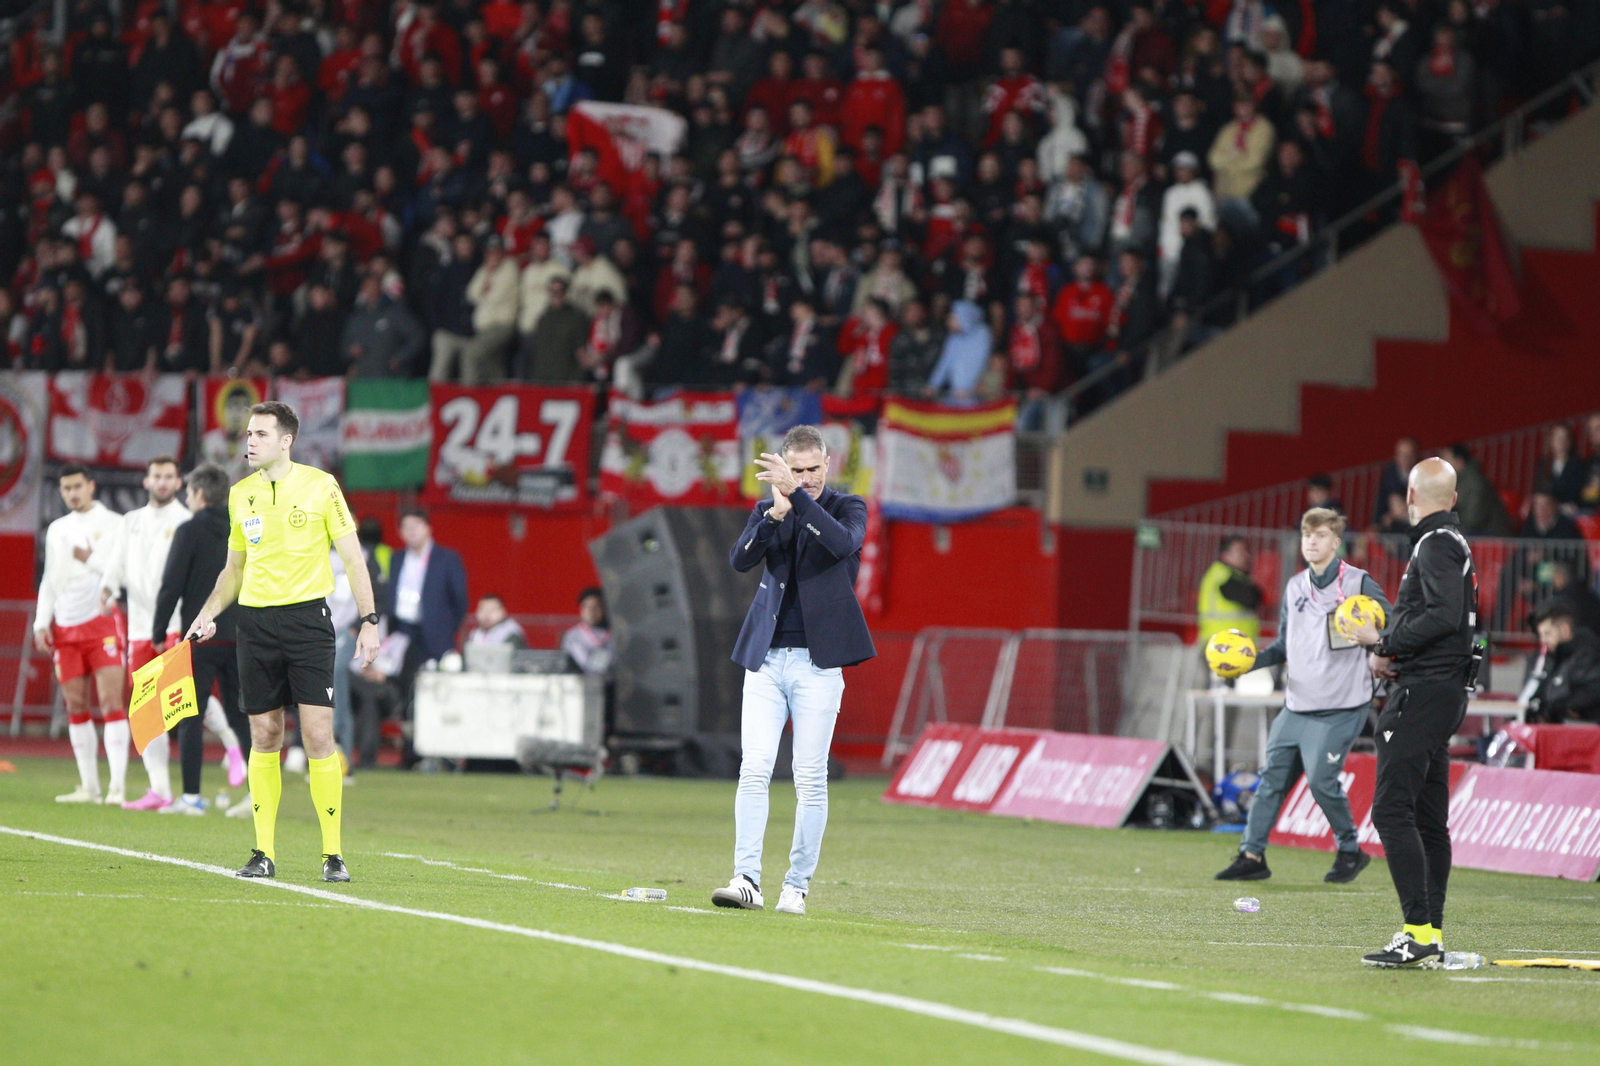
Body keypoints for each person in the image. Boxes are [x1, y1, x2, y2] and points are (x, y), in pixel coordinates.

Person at [185, 401, 381, 883]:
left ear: (286, 440)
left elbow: (355, 560)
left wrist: (370, 620)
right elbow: (234, 571)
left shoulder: (321, 486)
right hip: (254, 625)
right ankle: (263, 852)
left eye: (260, 434)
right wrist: (208, 613)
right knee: (265, 735)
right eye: (248, 434)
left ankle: (332, 855)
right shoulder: (239, 495)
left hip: (308, 624)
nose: (249, 441)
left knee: (317, 736)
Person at [714, 425, 876, 915]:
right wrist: (773, 516)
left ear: (828, 464)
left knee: (809, 777)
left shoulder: (849, 507)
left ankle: (796, 887)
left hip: (818, 664)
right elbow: (740, 560)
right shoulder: (773, 508)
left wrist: (796, 501)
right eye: (795, 471)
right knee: (754, 768)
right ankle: (746, 879)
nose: (804, 479)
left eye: (811, 470)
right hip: (765, 659)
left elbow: (842, 544)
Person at [1341, 458, 1478, 969]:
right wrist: (1394, 651)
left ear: (1413, 496)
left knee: (1392, 810)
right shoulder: (1453, 541)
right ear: (1455, 499)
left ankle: (1418, 932)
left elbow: (1441, 615)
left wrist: (1386, 642)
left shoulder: (1435, 543)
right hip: (1440, 688)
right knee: (1426, 817)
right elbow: (1446, 615)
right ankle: (1430, 934)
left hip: (1424, 692)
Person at [1215, 508, 1392, 885]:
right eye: (1306, 535)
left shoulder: (1358, 583)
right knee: (1270, 780)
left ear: (1335, 542)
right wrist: (1251, 662)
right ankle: (1252, 854)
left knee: (1321, 780)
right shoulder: (1295, 586)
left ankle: (1349, 850)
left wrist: (1381, 649)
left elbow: (1392, 625)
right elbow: (1284, 644)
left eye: (1321, 535)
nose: (1312, 541)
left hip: (1342, 704)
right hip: (1297, 704)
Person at [97, 457, 241, 811]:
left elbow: (178, 581)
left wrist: (167, 624)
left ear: (180, 484)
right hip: (140, 627)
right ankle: (160, 788)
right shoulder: (131, 522)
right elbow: (117, 562)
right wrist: (107, 587)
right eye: (155, 476)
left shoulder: (186, 521)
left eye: (168, 477)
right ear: (146, 481)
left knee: (182, 701)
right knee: (146, 705)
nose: (161, 482)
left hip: (178, 624)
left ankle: (230, 746)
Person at [152, 463, 254, 817]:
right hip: (240, 636)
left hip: (200, 636)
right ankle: (258, 799)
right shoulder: (239, 529)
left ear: (197, 493)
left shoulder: (188, 531)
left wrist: (157, 631)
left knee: (190, 716)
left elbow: (171, 586)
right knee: (243, 717)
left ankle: (192, 797)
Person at [35, 466, 129, 804]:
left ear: (91, 486)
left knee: (110, 701)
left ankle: (117, 787)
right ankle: (89, 787)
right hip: (65, 624)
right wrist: (41, 622)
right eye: (65, 489)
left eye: (77, 486)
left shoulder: (115, 524)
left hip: (100, 622)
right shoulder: (58, 529)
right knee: (75, 704)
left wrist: (90, 559)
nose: (72, 493)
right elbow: (50, 578)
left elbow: (123, 571)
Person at [1527, 605, 1600, 724]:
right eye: (1541, 635)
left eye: (1548, 633)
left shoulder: (1587, 653)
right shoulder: (1554, 656)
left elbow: (1590, 693)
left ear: (1565, 629)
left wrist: (1560, 708)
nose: (1543, 640)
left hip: (1584, 730)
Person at [1197, 535, 1263, 648]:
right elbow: (1251, 598)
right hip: (1226, 647)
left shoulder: (1223, 574)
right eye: (1240, 551)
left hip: (1224, 644)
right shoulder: (1224, 577)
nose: (1246, 555)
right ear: (1225, 555)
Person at [561, 588, 611, 674]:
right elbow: (586, 664)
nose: (591, 611)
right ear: (581, 609)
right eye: (587, 606)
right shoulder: (573, 636)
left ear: (604, 608)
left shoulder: (614, 634)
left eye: (596, 606)